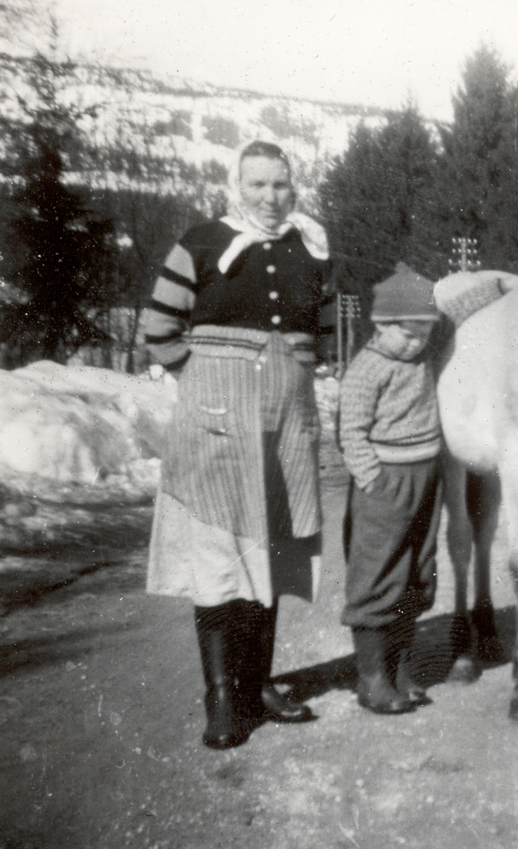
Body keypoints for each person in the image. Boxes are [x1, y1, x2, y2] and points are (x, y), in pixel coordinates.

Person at [142, 139, 332, 749]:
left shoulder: (313, 249)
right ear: (236, 186)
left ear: (293, 189)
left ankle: (257, 683)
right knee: (218, 558)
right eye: (257, 185)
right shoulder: (200, 241)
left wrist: (283, 377)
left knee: (270, 551)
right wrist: (209, 383)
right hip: (216, 429)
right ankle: (221, 695)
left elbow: (321, 336)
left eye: (280, 185)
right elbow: (158, 331)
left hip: (284, 429)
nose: (270, 197)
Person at [337, 262, 509, 714]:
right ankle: (372, 678)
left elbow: (454, 314)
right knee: (378, 573)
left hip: (424, 481)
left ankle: (400, 670)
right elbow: (350, 432)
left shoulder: (423, 352)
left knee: (416, 571)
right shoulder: (366, 369)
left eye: (422, 335)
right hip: (384, 484)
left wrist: (496, 286)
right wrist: (372, 479)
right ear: (380, 325)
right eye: (407, 335)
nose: (416, 344)